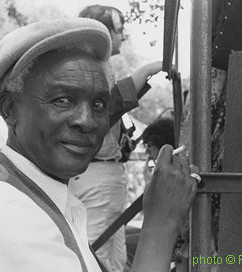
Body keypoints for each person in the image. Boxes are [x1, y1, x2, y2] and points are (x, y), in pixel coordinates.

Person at [0, 18, 198, 272]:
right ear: (10, 109)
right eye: (62, 100)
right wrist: (161, 222)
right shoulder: (1, 211)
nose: (86, 121)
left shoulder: (46, 198)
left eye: (99, 104)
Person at [69, 6, 162, 272]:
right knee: (94, 250)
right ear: (100, 32)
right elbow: (110, 106)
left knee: (114, 258)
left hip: (102, 173)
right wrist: (146, 72)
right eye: (119, 30)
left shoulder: (94, 69)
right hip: (96, 174)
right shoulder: (87, 72)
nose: (124, 36)